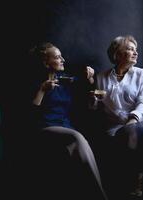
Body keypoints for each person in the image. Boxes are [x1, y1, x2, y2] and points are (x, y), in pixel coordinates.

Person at [30, 42, 107, 200]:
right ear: (46, 63)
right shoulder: (35, 83)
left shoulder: (65, 80)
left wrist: (91, 77)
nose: (63, 60)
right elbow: (31, 114)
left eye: (61, 56)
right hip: (45, 128)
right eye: (58, 57)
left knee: (77, 142)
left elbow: (87, 84)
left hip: (66, 127)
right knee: (77, 138)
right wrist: (42, 90)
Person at [89, 35, 143, 199]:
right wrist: (93, 101)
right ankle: (124, 183)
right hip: (115, 124)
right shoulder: (101, 77)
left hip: (141, 121)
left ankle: (137, 181)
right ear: (117, 55)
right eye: (130, 49)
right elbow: (96, 107)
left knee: (134, 137)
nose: (135, 53)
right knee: (120, 140)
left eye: (136, 50)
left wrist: (133, 119)